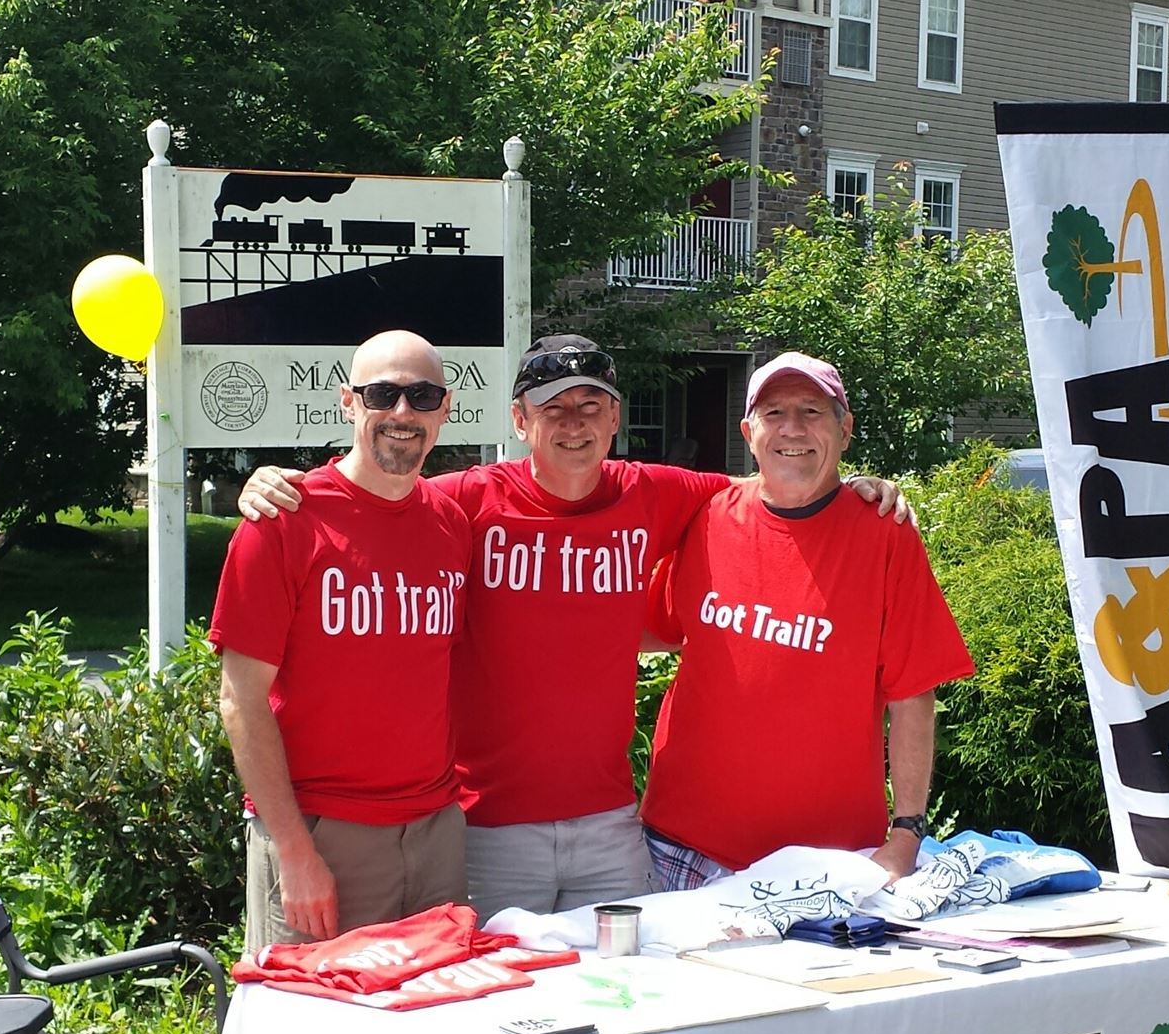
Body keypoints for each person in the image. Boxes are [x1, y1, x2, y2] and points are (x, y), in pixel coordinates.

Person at [239, 335, 912, 918]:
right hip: (486, 827)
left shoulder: (658, 495)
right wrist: (281, 486)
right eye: (552, 406)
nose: (573, 422)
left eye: (590, 405)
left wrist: (854, 489)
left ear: (616, 416)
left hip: (612, 827)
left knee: (628, 1007)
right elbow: (372, 501)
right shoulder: (460, 505)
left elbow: (776, 485)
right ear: (519, 420)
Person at [640, 350, 975, 890]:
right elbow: (645, 631)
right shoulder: (706, 516)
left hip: (830, 864)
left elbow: (912, 692)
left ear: (845, 430)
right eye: (773, 413)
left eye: (812, 411)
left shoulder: (883, 532)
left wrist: (906, 833)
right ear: (749, 432)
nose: (791, 428)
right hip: (682, 849)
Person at [208, 330, 472, 951]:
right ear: (348, 403)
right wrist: (294, 852)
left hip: (435, 834)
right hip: (323, 835)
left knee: (432, 1028)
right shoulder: (283, 522)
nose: (402, 414)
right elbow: (239, 700)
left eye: (422, 396)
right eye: (383, 394)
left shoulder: (451, 523)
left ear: (445, 407)